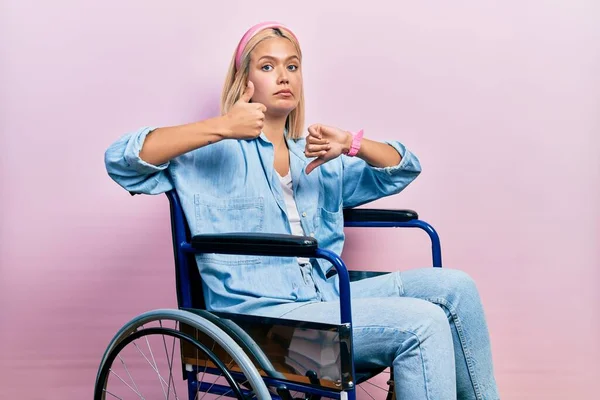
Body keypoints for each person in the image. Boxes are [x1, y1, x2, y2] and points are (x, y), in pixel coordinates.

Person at [104, 21, 499, 400]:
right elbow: (122, 160)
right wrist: (223, 126)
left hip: (324, 296)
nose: (284, 76)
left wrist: (350, 144)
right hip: (267, 327)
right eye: (268, 66)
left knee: (456, 287)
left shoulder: (316, 155)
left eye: (292, 66)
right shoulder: (208, 155)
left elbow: (404, 167)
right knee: (422, 323)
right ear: (245, 82)